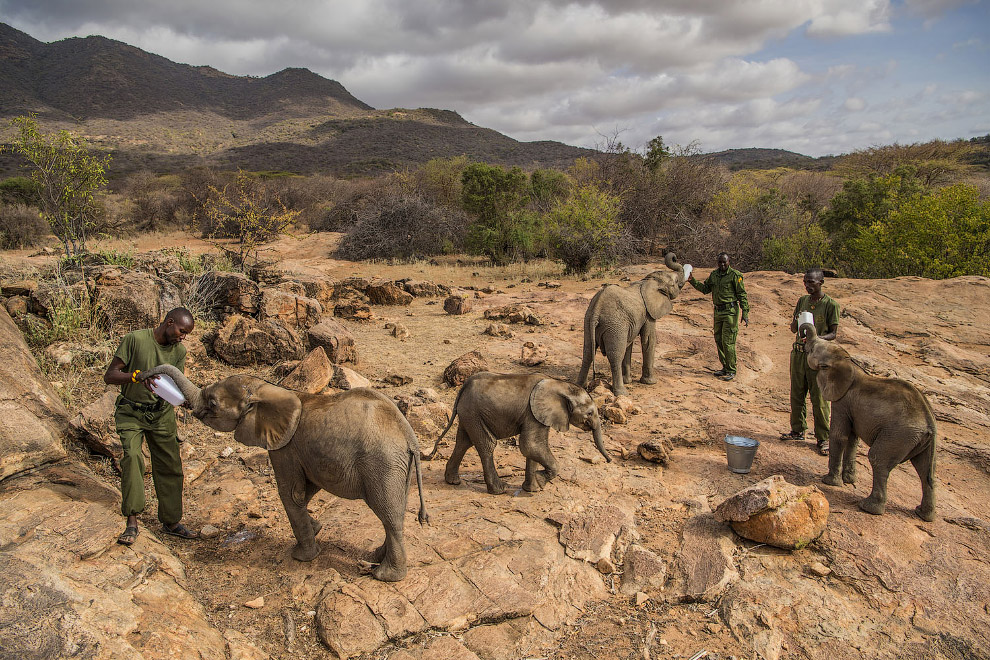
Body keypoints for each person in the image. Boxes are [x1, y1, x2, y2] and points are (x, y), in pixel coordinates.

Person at [104, 307, 198, 545]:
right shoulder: (135, 339)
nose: (183, 336)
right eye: (181, 331)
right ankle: (132, 520)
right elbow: (111, 375)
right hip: (131, 412)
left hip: (161, 415)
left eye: (186, 334)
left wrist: (184, 400)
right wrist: (137, 377)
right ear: (169, 323)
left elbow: (175, 383)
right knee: (133, 458)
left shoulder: (179, 351)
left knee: (170, 466)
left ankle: (171, 521)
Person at [780, 267, 840, 455]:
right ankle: (797, 429)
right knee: (797, 393)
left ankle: (823, 438)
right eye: (805, 282)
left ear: (821, 282)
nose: (807, 286)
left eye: (811, 282)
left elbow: (834, 333)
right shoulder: (802, 301)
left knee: (819, 398)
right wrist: (796, 325)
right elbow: (794, 326)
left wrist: (817, 338)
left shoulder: (830, 305)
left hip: (817, 355)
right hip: (799, 353)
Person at [688, 252, 750, 381]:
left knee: (728, 341)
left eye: (724, 262)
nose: (722, 265)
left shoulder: (735, 275)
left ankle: (732, 370)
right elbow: (705, 289)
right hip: (718, 311)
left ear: (729, 262)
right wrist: (692, 281)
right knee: (719, 339)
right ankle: (725, 367)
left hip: (730, 312)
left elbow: (742, 294)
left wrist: (745, 312)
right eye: (720, 262)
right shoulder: (714, 275)